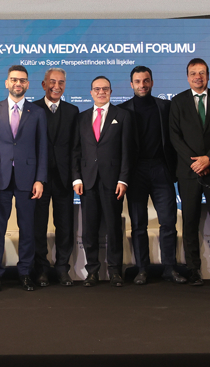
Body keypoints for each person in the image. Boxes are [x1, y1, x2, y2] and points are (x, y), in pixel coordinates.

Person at [118, 66, 186, 285]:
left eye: (146, 80)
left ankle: (170, 268)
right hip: (135, 171)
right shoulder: (122, 110)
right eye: (138, 81)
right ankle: (142, 269)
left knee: (168, 221)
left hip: (160, 169)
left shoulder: (165, 107)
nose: (142, 85)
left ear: (152, 82)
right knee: (138, 224)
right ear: (131, 84)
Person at [169, 58, 210, 286]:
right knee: (189, 221)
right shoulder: (177, 102)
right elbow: (175, 136)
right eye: (193, 73)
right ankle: (193, 270)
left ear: (208, 75)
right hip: (189, 173)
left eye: (202, 73)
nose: (198, 77)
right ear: (187, 77)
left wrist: (209, 159)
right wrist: (195, 162)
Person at [0, 65, 48, 292]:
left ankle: (25, 273)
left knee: (27, 229)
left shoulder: (37, 112)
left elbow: (42, 148)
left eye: (22, 80)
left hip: (28, 180)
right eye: (13, 79)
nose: (17, 83)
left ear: (27, 84)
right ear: (7, 83)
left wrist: (40, 179)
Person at [72, 76, 131, 287]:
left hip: (113, 182)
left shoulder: (122, 116)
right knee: (89, 229)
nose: (101, 92)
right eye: (97, 89)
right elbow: (76, 151)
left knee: (114, 228)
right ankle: (92, 271)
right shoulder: (81, 118)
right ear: (91, 93)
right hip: (87, 182)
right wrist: (76, 178)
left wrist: (123, 179)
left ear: (111, 92)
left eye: (105, 89)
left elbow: (127, 151)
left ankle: (115, 271)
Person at [31, 68, 78, 287]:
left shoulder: (73, 111)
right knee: (38, 226)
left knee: (65, 225)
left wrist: (76, 177)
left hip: (64, 178)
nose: (56, 86)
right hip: (38, 180)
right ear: (43, 85)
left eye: (60, 82)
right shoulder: (32, 109)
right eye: (52, 82)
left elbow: (76, 147)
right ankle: (41, 269)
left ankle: (62, 268)